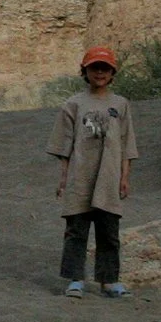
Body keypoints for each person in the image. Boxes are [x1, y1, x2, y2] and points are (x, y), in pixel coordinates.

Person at [48, 46, 138, 298]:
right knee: (76, 229)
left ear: (112, 73)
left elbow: (126, 143)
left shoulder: (120, 104)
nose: (100, 72)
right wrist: (64, 179)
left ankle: (108, 281)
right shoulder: (73, 104)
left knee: (108, 232)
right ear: (84, 71)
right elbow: (64, 144)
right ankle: (75, 279)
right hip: (80, 176)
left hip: (109, 177)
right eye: (94, 67)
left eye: (105, 68)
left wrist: (124, 178)